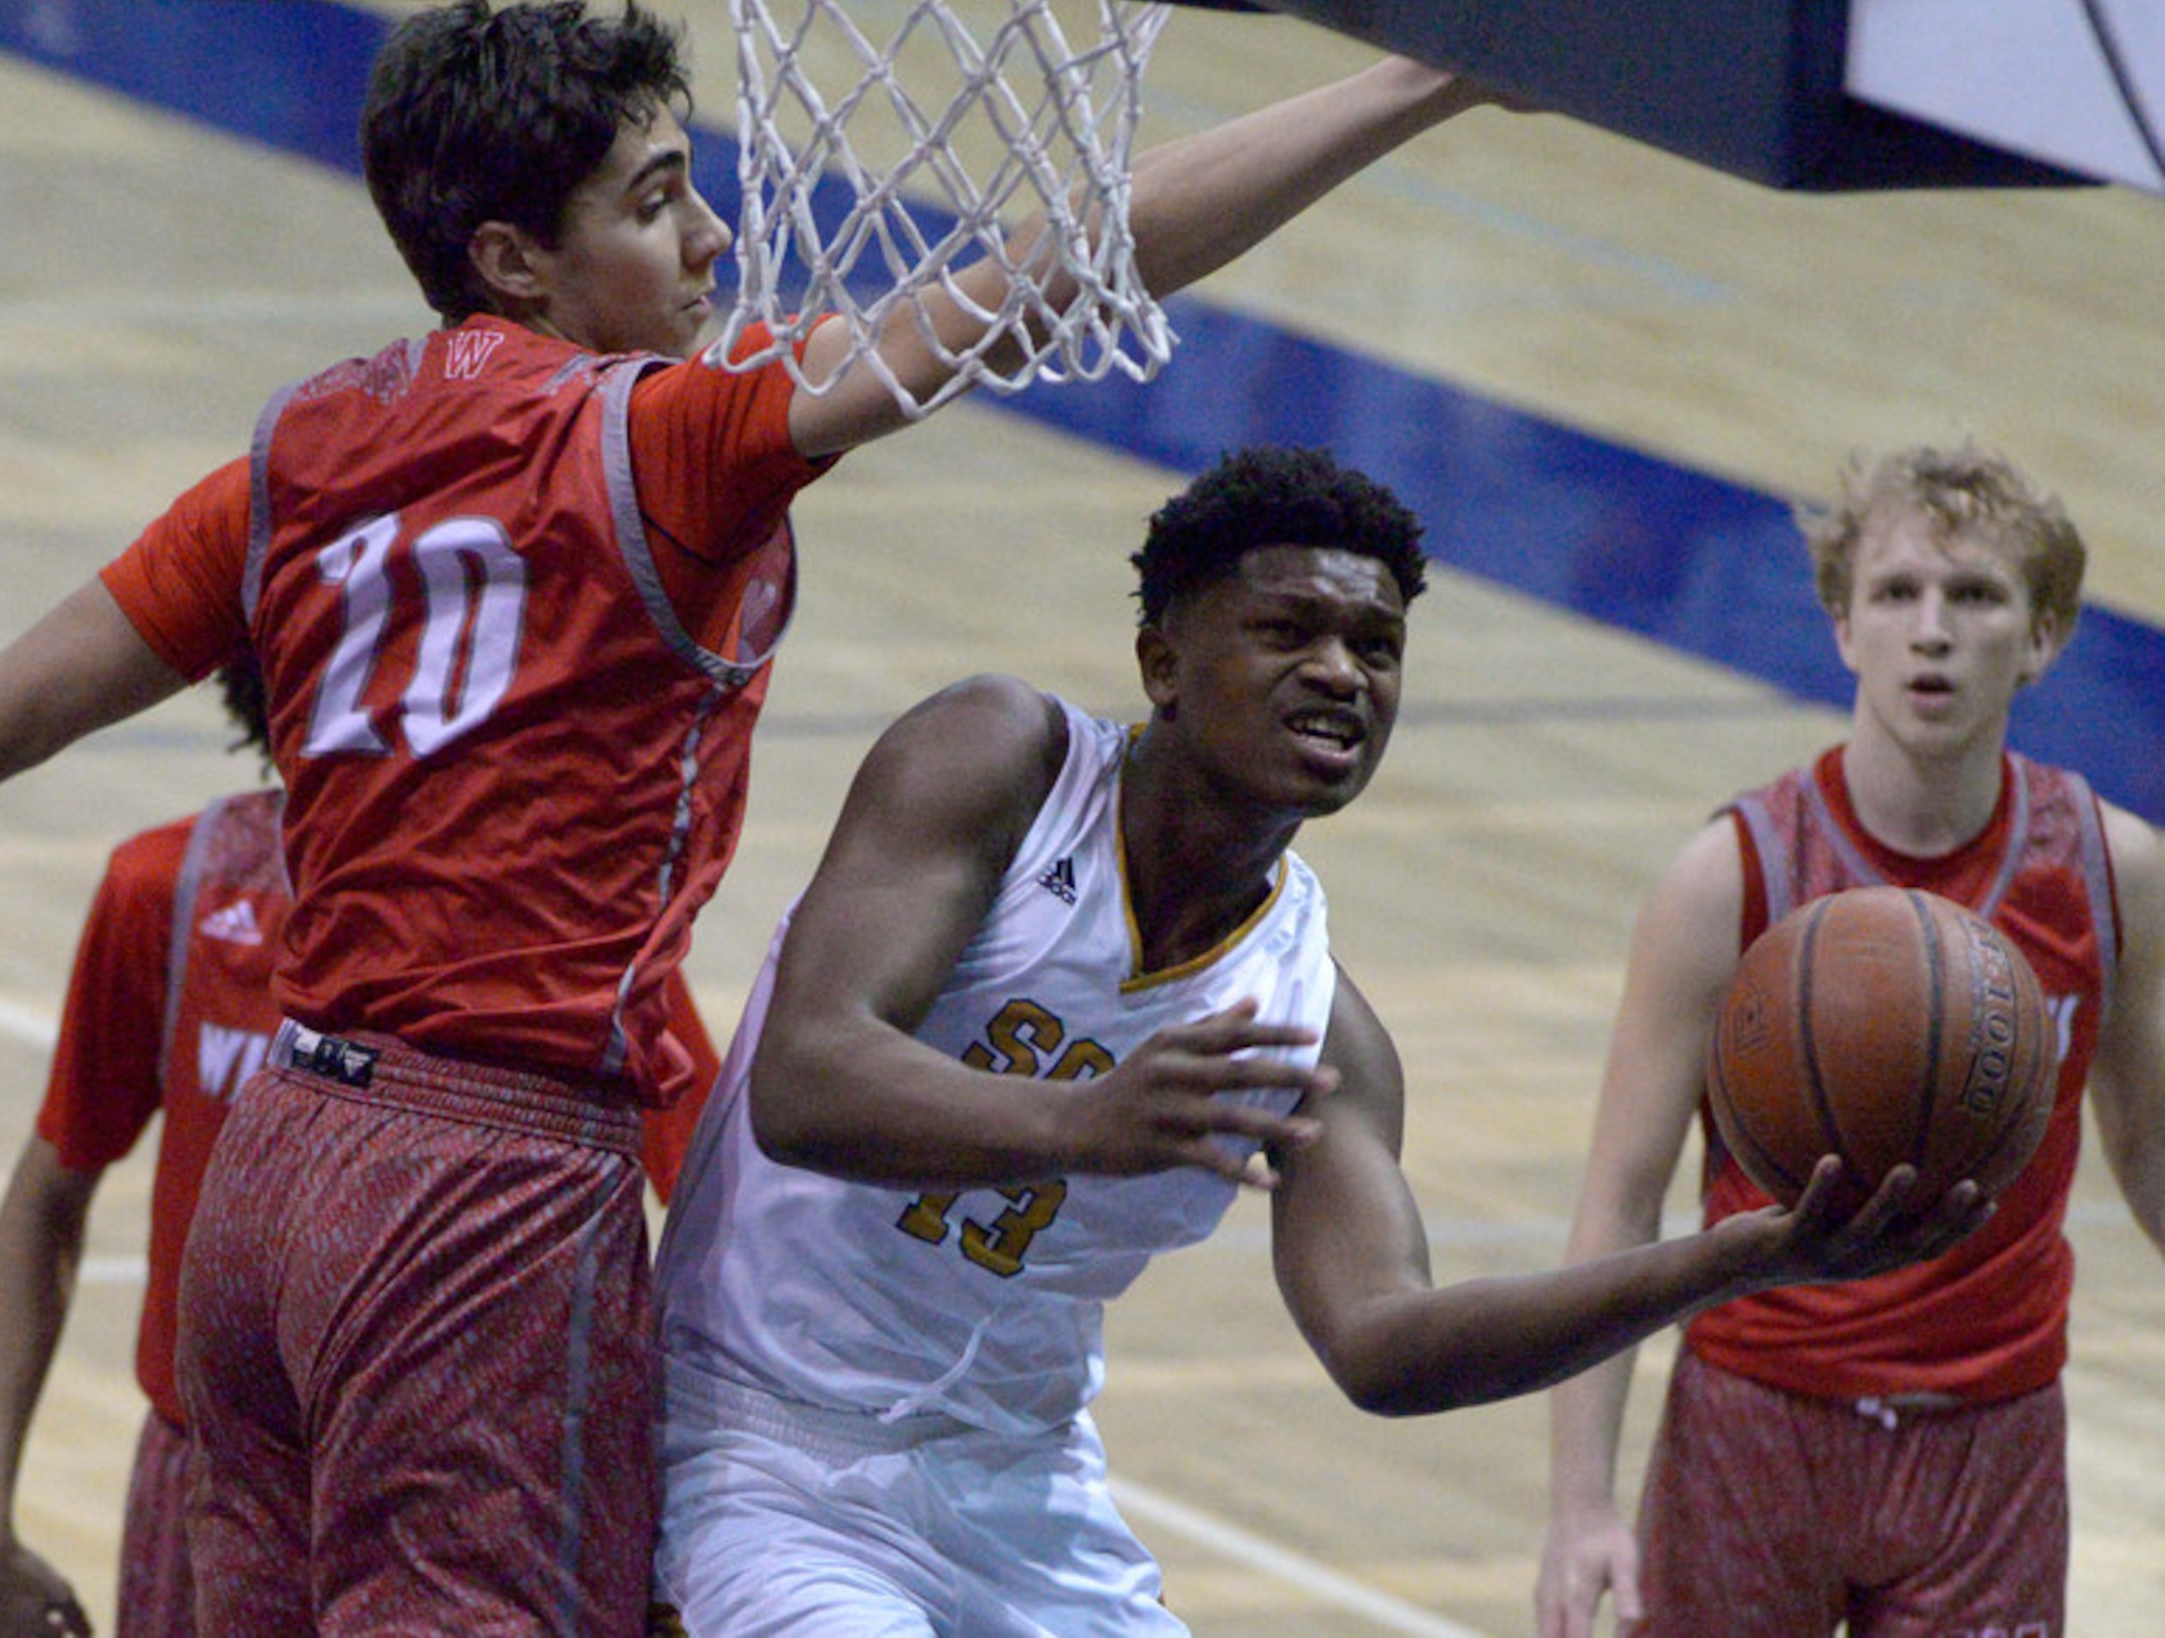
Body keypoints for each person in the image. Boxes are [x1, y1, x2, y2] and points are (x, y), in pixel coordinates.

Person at [0, 0, 1502, 1634]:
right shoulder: (667, 447)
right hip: (480, 1180)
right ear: (517, 261)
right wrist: (1426, 83)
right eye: (656, 197)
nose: (710, 229)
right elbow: (1056, 269)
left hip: (271, 1162)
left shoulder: (300, 458)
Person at [650, 446, 1991, 1638]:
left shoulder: (1316, 1022)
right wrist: (1081, 1122)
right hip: (759, 1444)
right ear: (1161, 660)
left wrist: (1744, 1254)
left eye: (1375, 644)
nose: (1340, 670)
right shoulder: (997, 760)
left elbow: (1384, 1342)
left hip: (1014, 1490)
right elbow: (804, 1077)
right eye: (1285, 628)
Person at [0, 658, 723, 1638]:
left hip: (468, 1482)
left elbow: (714, 1218)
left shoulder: (559, 945)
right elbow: (49, 1196)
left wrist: (683, 1531)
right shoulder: (169, 888)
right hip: (216, 1474)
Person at [1534, 442, 2165, 1637]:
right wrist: (1579, 1507)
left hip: (1992, 1430)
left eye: (1974, 596)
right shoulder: (1729, 878)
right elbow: (1618, 1203)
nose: (1932, 630)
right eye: (1895, 593)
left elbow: (2154, 1154)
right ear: (1840, 626)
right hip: (1757, 1413)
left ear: (2041, 637)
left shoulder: (2112, 869)